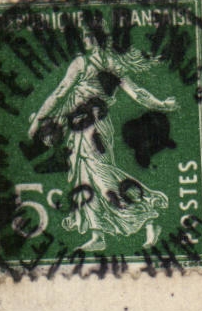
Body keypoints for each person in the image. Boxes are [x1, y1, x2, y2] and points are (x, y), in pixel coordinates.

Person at [26, 29, 177, 251]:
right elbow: (138, 93)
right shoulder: (112, 65)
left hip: (90, 129)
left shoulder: (82, 63)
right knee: (83, 177)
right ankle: (98, 235)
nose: (83, 39)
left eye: (87, 35)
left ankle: (148, 213)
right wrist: (161, 104)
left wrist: (38, 121)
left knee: (101, 175)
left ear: (96, 38)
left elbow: (59, 93)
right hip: (83, 128)